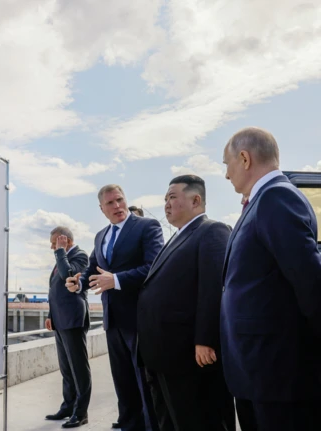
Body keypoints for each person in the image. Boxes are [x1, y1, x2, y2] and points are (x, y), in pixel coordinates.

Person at [221, 127, 321, 431]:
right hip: (258, 368)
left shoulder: (276, 197)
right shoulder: (262, 200)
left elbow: (310, 282)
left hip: (276, 371)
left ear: (244, 158)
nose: (226, 175)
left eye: (227, 164)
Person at [137, 175, 235, 431]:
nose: (166, 204)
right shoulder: (177, 236)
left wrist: (206, 339)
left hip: (189, 357)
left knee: (198, 420)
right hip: (162, 355)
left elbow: (213, 289)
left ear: (196, 199)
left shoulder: (212, 231)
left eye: (172, 197)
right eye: (165, 199)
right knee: (169, 421)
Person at [66, 184, 164, 431]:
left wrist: (116, 280)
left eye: (120, 200)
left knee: (146, 386)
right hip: (113, 322)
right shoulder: (101, 236)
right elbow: (92, 270)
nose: (117, 206)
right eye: (110, 203)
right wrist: (78, 284)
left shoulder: (147, 226)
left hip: (139, 320)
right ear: (102, 209)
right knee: (124, 387)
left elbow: (154, 266)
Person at [44, 226, 91, 428]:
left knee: (78, 368)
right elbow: (54, 290)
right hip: (60, 319)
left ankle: (81, 413)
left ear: (66, 241)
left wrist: (60, 251)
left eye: (55, 242)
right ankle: (68, 406)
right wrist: (50, 315)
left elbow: (68, 276)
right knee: (66, 368)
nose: (52, 247)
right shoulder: (60, 257)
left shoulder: (80, 256)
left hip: (73, 319)